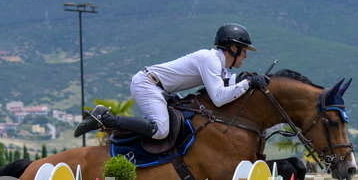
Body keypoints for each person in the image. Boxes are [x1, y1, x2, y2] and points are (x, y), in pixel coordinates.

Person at [73, 23, 266, 140]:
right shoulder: (210, 59)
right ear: (233, 48)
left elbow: (229, 83)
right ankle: (105, 118)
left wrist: (249, 78)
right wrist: (248, 83)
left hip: (162, 90)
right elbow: (219, 98)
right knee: (160, 131)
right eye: (244, 51)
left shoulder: (217, 63)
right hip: (148, 85)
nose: (245, 56)